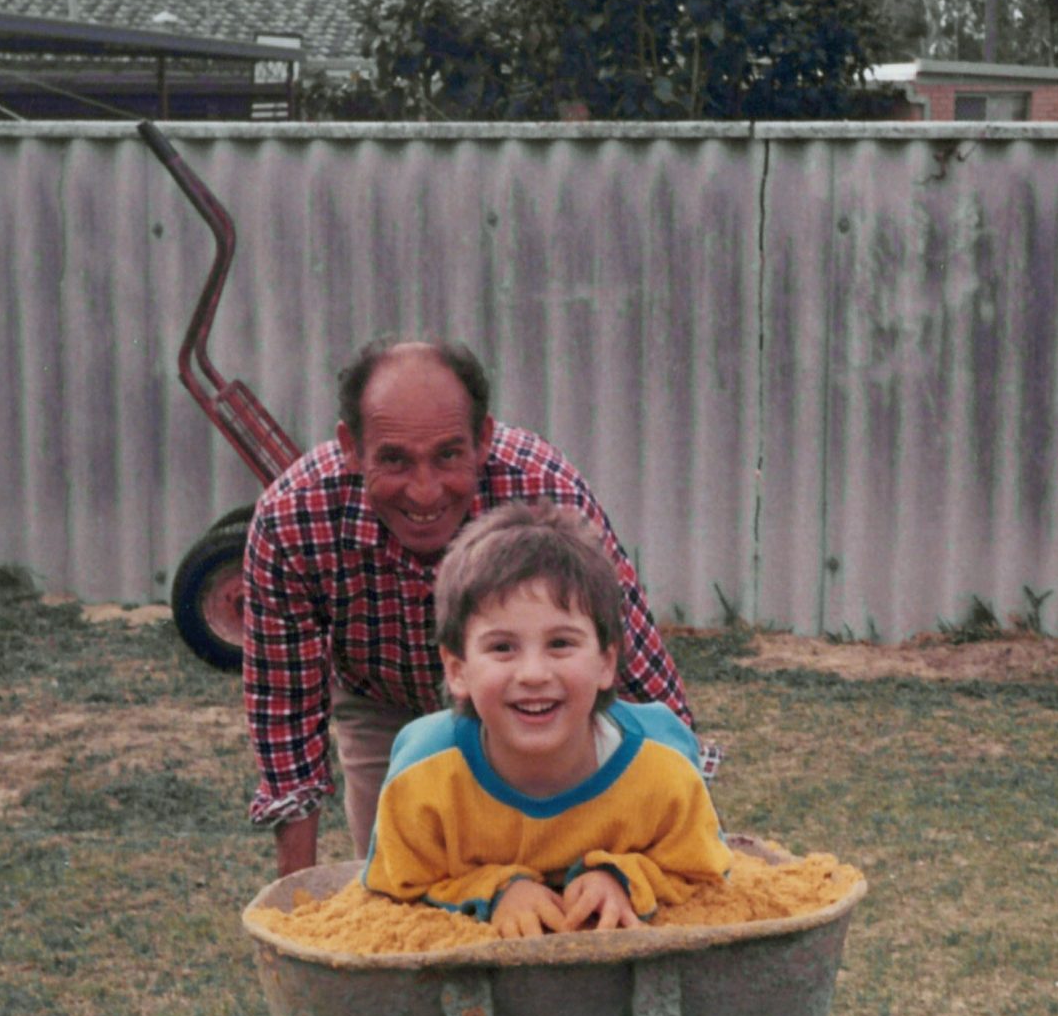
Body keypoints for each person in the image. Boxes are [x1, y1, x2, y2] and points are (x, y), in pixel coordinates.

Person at [240, 336, 700, 877]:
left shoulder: (541, 488)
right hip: (379, 696)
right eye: (393, 460)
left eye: (448, 455)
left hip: (534, 692)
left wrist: (687, 828)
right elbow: (285, 716)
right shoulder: (292, 517)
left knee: (568, 871)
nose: (425, 491)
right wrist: (298, 909)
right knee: (403, 875)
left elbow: (636, 670)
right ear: (351, 446)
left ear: (483, 439)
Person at [361, 503, 730, 937]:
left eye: (560, 643)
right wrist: (496, 890)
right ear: (457, 669)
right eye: (502, 648)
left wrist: (623, 879)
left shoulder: (661, 766)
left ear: (606, 663)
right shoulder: (424, 777)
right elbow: (396, 887)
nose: (534, 674)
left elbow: (702, 867)